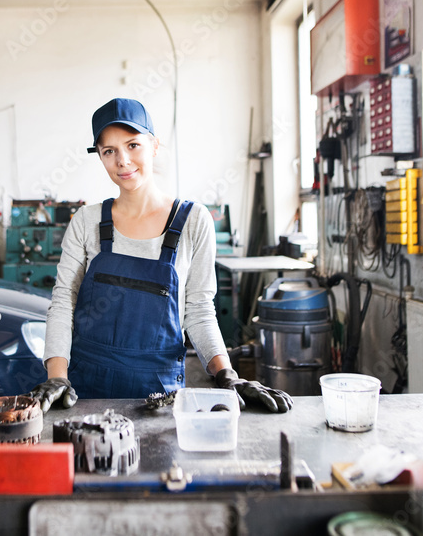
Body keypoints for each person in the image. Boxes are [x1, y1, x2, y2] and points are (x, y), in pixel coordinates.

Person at [30, 98, 291, 413]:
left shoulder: (193, 221)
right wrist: (57, 377)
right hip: (87, 393)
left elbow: (198, 311)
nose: (123, 161)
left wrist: (227, 375)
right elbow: (62, 304)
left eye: (133, 145)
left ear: (154, 145)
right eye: (108, 151)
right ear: (99, 156)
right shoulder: (86, 222)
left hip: (160, 395)